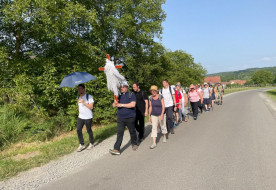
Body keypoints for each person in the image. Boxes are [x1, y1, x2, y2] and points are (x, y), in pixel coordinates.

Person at [109, 81, 138, 155]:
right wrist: (114, 103)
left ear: (127, 87)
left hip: (130, 117)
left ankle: (134, 143)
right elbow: (114, 104)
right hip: (120, 117)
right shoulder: (118, 95)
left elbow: (132, 104)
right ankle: (116, 148)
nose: (121, 88)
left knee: (132, 131)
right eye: (121, 87)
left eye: (123, 87)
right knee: (120, 133)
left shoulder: (131, 94)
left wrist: (121, 105)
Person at [76, 84, 95, 152]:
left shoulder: (89, 96)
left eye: (80, 88)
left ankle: (91, 143)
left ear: (84, 89)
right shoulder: (78, 97)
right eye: (78, 89)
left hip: (88, 116)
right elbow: (79, 106)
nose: (79, 90)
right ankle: (81, 144)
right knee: (78, 130)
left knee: (88, 130)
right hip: (81, 116)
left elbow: (91, 107)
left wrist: (83, 102)